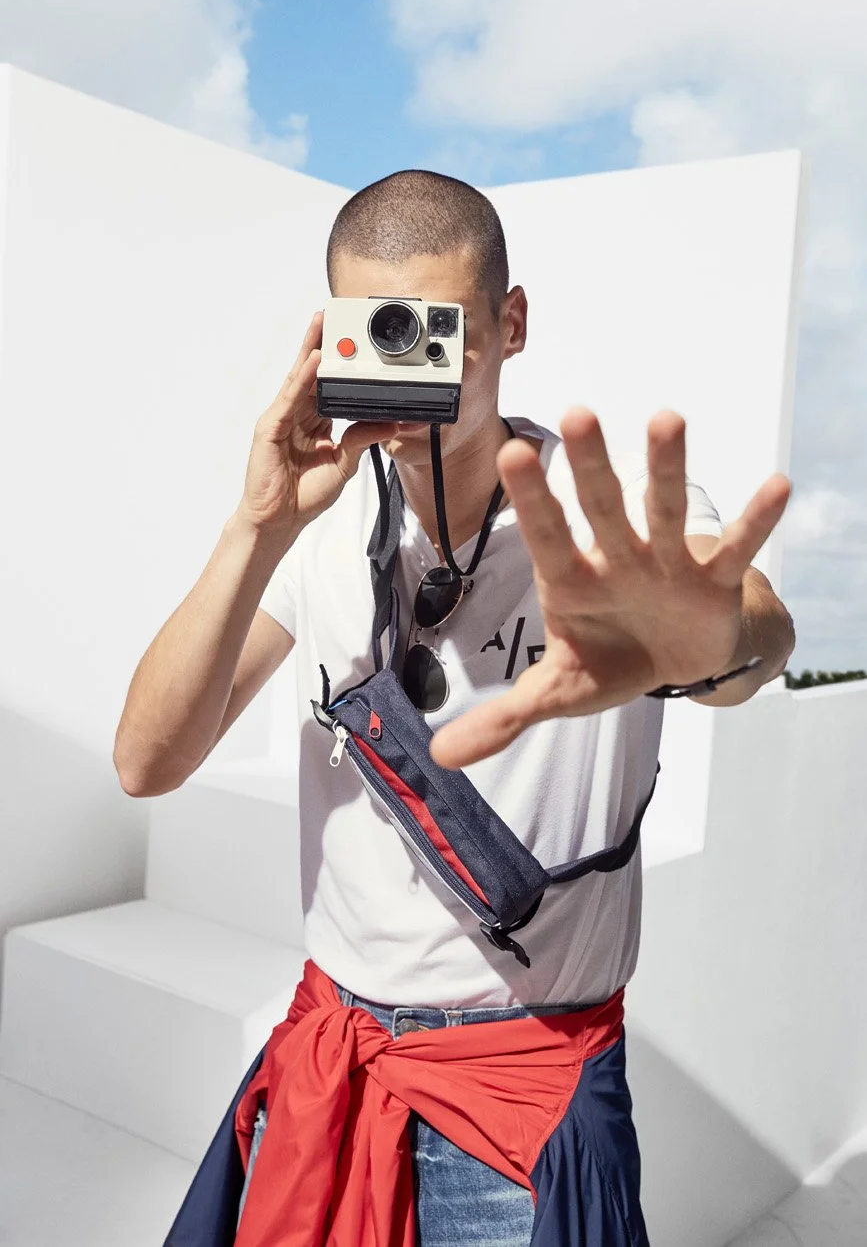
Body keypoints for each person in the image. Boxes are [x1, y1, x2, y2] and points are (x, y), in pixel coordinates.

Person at [116, 169, 796, 1246]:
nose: (403, 361)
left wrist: (710, 639)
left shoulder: (603, 517)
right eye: (373, 330)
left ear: (510, 323)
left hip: (521, 1092)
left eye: (433, 332)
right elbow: (146, 762)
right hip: (334, 1056)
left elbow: (752, 626)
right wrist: (258, 524)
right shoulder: (322, 529)